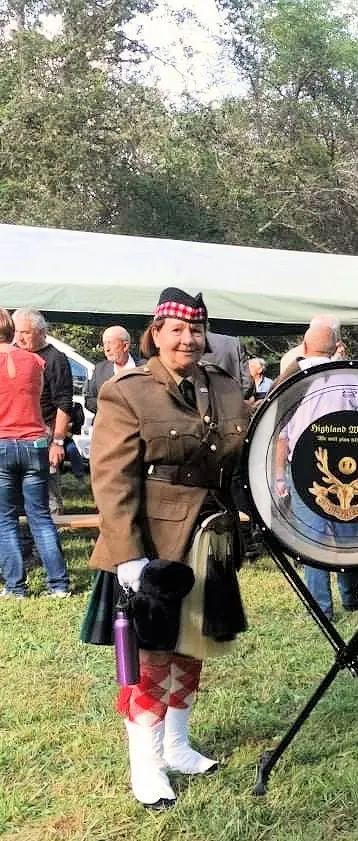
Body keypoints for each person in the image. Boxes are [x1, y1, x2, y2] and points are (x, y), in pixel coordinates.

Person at [83, 287, 250, 810]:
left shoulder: (224, 386)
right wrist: (129, 556)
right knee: (153, 656)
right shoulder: (127, 391)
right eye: (177, 329)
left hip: (208, 535)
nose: (188, 339)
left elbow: (238, 458)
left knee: (194, 645)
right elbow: (112, 479)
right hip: (152, 543)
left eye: (196, 329)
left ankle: (176, 745)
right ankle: (147, 765)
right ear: (155, 334)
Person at [275, 323, 358, 619]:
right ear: (336, 346)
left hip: (305, 466)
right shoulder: (350, 376)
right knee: (348, 533)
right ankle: (351, 596)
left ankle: (321, 607)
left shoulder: (293, 380)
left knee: (313, 539)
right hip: (348, 467)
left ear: (303, 346)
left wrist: (279, 475)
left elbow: (282, 435)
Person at [0, 308, 70, 598]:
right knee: (40, 516)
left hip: (3, 442)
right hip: (34, 443)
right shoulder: (36, 361)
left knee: (5, 519)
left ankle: (15, 587)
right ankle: (59, 585)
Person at [12, 309, 73, 514]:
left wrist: (57, 442)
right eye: (17, 332)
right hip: (12, 432)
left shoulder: (56, 359)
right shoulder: (11, 354)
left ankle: (51, 530)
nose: (20, 337)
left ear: (41, 332)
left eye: (25, 332)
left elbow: (64, 403)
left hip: (43, 431)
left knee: (48, 492)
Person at [83, 326, 138, 415]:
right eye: (104, 344)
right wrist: (110, 408)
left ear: (125, 346)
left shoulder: (145, 368)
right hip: (107, 422)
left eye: (110, 343)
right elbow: (89, 400)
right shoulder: (100, 369)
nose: (107, 349)